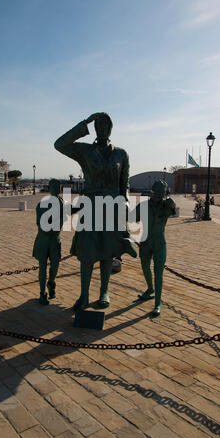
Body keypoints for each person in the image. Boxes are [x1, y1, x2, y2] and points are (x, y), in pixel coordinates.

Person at [54, 113, 137, 310]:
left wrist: (123, 203)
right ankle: (84, 295)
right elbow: (60, 144)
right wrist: (84, 123)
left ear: (111, 129)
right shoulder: (85, 151)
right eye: (98, 125)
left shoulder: (121, 154)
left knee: (108, 252)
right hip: (90, 205)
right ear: (95, 127)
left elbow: (124, 185)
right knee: (87, 252)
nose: (102, 129)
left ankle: (104, 292)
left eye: (106, 125)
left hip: (111, 207)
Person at [136, 180, 175, 317]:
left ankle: (157, 303)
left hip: (159, 242)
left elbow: (172, 209)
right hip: (145, 242)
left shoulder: (166, 206)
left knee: (159, 273)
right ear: (152, 191)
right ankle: (150, 289)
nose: (160, 195)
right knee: (145, 267)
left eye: (162, 192)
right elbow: (131, 218)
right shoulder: (143, 206)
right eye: (157, 192)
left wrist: (170, 201)